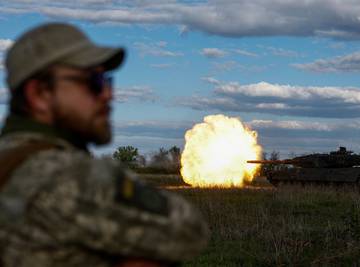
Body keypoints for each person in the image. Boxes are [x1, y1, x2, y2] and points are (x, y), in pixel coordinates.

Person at [0, 23, 209, 267]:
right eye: (94, 81)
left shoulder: (10, 160)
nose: (108, 94)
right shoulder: (68, 175)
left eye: (108, 81)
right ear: (40, 94)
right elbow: (188, 230)